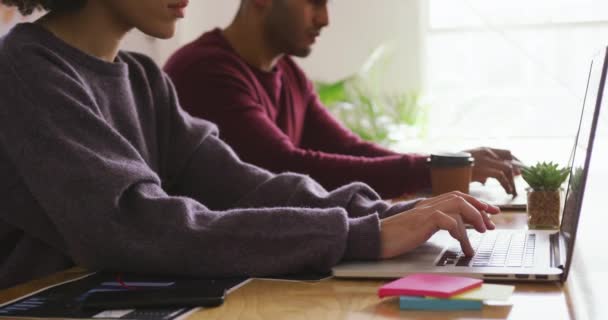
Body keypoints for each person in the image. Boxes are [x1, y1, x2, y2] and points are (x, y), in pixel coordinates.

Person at [0, 0, 499, 290]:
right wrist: (356, 236)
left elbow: (244, 184)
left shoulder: (143, 78)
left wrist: (385, 215)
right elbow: (132, 223)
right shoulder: (24, 70)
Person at [164, 0, 520, 199]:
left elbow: (350, 149)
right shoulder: (205, 71)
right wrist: (435, 169)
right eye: (314, 3)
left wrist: (441, 166)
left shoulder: (289, 74)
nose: (325, 19)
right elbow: (283, 166)